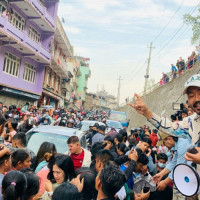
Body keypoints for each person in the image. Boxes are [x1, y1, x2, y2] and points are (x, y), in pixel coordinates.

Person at [129, 74, 200, 146]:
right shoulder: (191, 122)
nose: (197, 99)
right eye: (191, 96)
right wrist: (146, 112)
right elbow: (170, 127)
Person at [153, 134, 190, 199]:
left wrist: (165, 182)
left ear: (169, 139)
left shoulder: (182, 145)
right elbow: (173, 163)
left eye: (164, 143)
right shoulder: (178, 146)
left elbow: (179, 167)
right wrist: (160, 174)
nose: (165, 146)